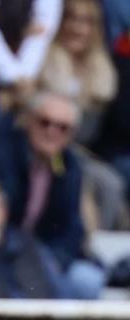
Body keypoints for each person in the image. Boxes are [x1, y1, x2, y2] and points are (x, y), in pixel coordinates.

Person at [0, 92, 106, 298]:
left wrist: (55, 260)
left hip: (46, 255)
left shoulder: (70, 165)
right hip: (5, 253)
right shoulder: (3, 154)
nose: (52, 132)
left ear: (71, 135)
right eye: (45, 123)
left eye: (62, 128)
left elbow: (73, 227)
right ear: (29, 121)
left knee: (87, 280)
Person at [39, 0, 125, 231]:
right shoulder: (42, 61)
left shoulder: (102, 72)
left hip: (81, 152)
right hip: (46, 150)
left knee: (111, 184)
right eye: (72, 20)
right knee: (76, 178)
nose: (78, 29)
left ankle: (98, 250)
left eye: (86, 22)